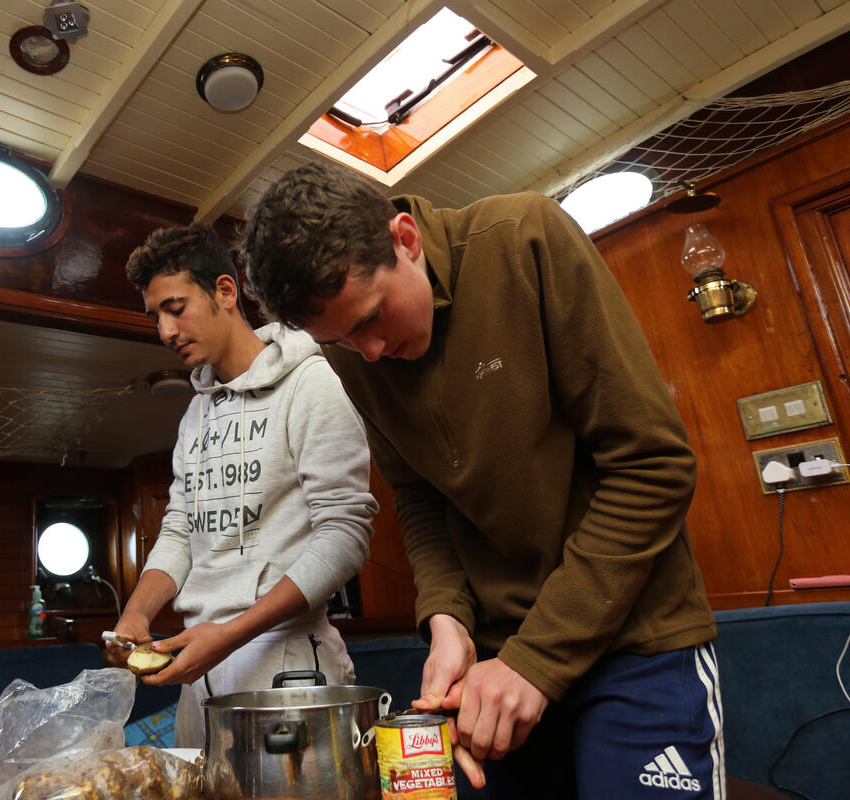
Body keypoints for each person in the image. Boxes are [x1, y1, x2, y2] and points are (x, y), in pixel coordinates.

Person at [238, 161, 724, 799]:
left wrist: (537, 660)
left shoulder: (524, 238)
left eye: (371, 319)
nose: (372, 353)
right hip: (494, 668)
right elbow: (418, 498)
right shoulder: (352, 351)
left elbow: (652, 465)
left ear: (405, 239)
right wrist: (446, 617)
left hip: (635, 642)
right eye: (344, 342)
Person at [106, 222, 378, 749]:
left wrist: (230, 635)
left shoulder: (311, 383)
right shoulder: (195, 414)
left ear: (225, 292)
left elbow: (345, 534)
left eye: (176, 307)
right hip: (198, 670)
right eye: (155, 316)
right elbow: (181, 529)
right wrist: (136, 613)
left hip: (287, 665)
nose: (165, 331)